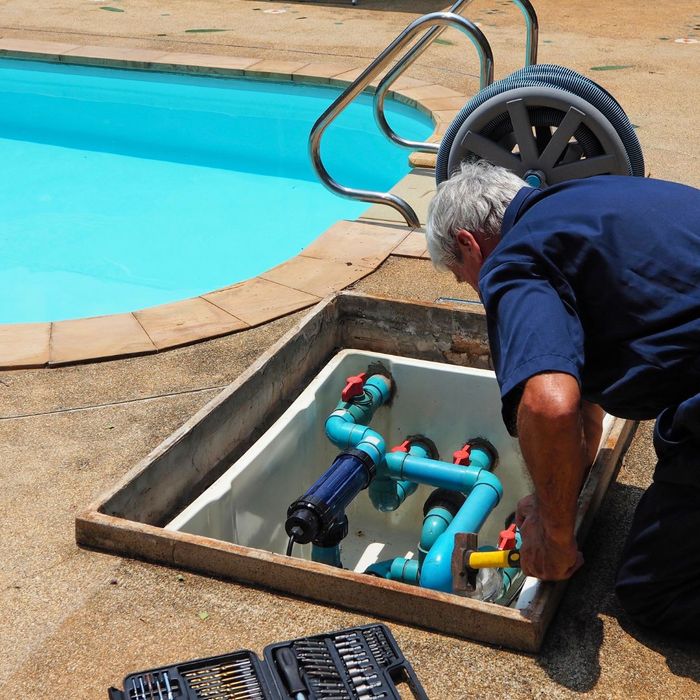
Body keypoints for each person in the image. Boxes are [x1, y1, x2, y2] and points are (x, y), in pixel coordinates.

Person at [426, 159, 700, 637]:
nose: (474, 288)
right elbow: (585, 404)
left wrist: (554, 539)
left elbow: (548, 405)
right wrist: (556, 498)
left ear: (469, 244)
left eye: (461, 275)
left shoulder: (513, 261)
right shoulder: (585, 202)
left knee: (653, 593)